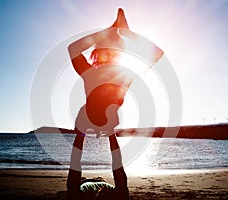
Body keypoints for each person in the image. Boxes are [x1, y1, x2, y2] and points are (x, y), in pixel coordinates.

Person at [66, 8, 163, 200]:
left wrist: (108, 32)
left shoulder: (102, 73)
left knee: (78, 184)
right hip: (100, 118)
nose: (108, 56)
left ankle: (94, 130)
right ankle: (99, 129)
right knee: (113, 169)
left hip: (93, 118)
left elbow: (72, 49)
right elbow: (157, 53)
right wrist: (124, 33)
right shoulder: (123, 74)